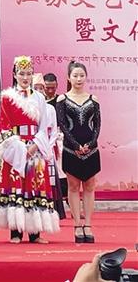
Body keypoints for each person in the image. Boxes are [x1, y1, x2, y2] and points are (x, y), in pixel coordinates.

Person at [0, 55, 60, 244]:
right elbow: (4, 125)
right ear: (15, 74)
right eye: (22, 73)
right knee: (16, 186)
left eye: (29, 74)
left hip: (35, 145)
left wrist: (35, 145)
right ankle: (15, 232)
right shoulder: (7, 97)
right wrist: (19, 147)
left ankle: (35, 233)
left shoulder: (39, 98)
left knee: (35, 186)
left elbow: (44, 126)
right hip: (15, 146)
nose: (25, 77)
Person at [56, 61, 101, 244]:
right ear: (69, 78)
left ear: (86, 77)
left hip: (91, 149)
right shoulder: (62, 99)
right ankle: (77, 225)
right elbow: (62, 124)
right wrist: (75, 145)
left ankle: (88, 224)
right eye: (75, 75)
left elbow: (97, 125)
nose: (79, 79)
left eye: (82, 75)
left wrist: (91, 143)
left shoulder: (93, 99)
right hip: (70, 148)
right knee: (73, 187)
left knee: (89, 186)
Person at [44, 72, 68, 211]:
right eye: (47, 88)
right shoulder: (38, 101)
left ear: (57, 85)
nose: (50, 91)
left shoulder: (61, 100)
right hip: (42, 140)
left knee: (62, 170)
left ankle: (68, 201)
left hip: (58, 138)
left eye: (53, 88)